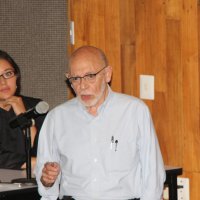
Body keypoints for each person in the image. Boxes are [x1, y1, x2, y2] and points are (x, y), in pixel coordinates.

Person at [35, 46, 166, 200]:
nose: (82, 86)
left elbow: (153, 173)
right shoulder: (57, 118)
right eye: (75, 79)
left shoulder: (134, 111)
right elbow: (45, 184)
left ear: (107, 74)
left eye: (90, 76)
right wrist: (47, 180)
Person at [0, 50, 46, 169]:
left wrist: (24, 116)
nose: (3, 82)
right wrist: (38, 162)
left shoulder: (36, 107)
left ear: (17, 77)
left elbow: (45, 150)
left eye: (8, 73)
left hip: (36, 184)